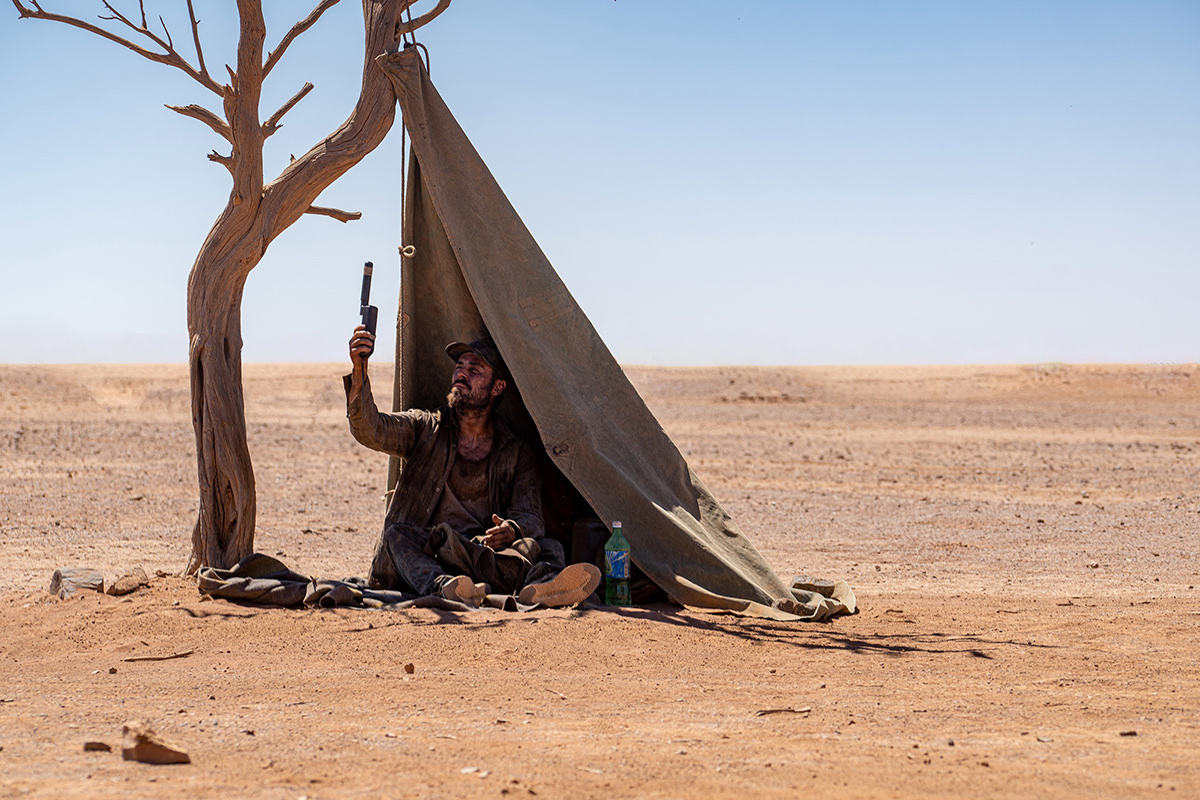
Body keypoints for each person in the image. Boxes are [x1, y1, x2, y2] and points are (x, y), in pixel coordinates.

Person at [345, 325, 600, 608]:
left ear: (497, 387)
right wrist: (359, 372)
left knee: (549, 546)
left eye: (474, 369)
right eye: (459, 366)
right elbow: (371, 429)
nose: (461, 374)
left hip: (481, 554)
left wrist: (512, 530)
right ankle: (445, 589)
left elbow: (531, 517)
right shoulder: (425, 428)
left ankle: (542, 589)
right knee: (397, 535)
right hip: (434, 551)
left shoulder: (514, 450)